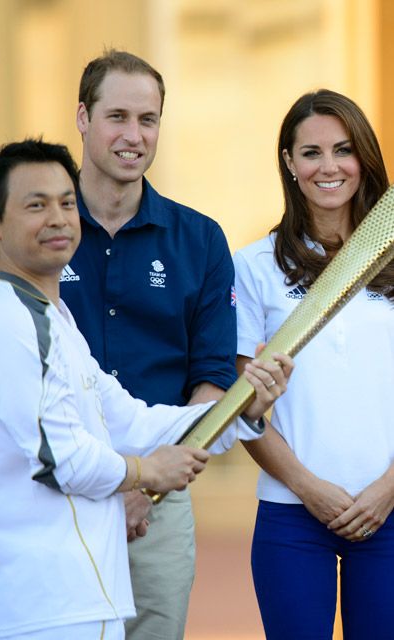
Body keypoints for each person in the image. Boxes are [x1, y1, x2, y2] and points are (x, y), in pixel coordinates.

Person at [0, 139, 294, 640]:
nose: (57, 218)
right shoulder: (10, 322)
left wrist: (242, 406)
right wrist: (145, 472)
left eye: (66, 202)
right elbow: (61, 458)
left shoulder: (55, 318)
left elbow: (132, 421)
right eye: (36, 205)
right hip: (43, 606)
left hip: (87, 594)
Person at [234, 88, 394, 640]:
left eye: (343, 150)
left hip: (391, 509)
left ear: (365, 158)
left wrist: (389, 488)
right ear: (289, 163)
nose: (329, 167)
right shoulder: (253, 266)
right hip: (292, 514)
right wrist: (308, 487)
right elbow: (241, 408)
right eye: (311, 152)